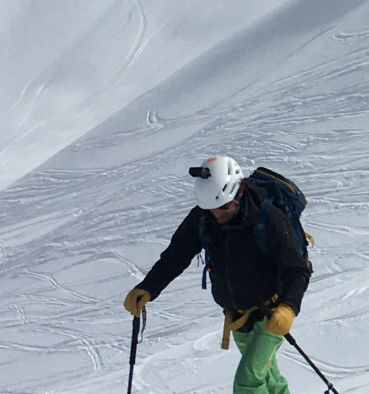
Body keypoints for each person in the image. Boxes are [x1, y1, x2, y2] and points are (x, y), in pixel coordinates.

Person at [123, 156, 312, 394]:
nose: (217, 215)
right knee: (268, 379)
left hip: (270, 315)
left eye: (223, 207)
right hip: (236, 317)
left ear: (238, 195)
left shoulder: (268, 218)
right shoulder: (203, 217)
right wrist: (148, 288)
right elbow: (176, 255)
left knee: (248, 381)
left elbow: (297, 269)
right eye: (210, 209)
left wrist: (288, 309)